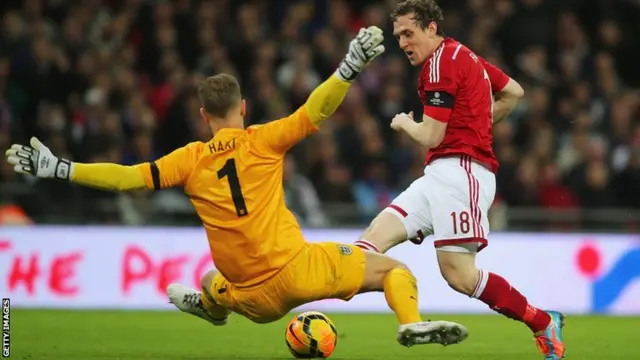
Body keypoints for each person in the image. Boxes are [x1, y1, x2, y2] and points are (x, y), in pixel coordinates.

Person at [6, 26, 469, 348]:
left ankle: (212, 305)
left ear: (203, 116)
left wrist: (61, 168)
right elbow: (315, 110)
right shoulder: (262, 141)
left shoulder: (187, 160)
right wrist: (347, 69)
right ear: (243, 108)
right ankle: (410, 324)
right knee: (392, 271)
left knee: (211, 279)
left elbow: (126, 178)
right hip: (299, 268)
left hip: (252, 297)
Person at [351, 2, 566, 359]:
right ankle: (404, 317)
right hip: (439, 173)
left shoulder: (439, 64)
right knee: (371, 239)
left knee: (460, 277)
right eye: (399, 36)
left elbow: (431, 135)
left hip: (461, 173)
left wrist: (404, 122)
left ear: (431, 28)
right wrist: (477, 121)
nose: (403, 43)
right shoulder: (463, 56)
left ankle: (542, 321)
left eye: (409, 33)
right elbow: (513, 91)